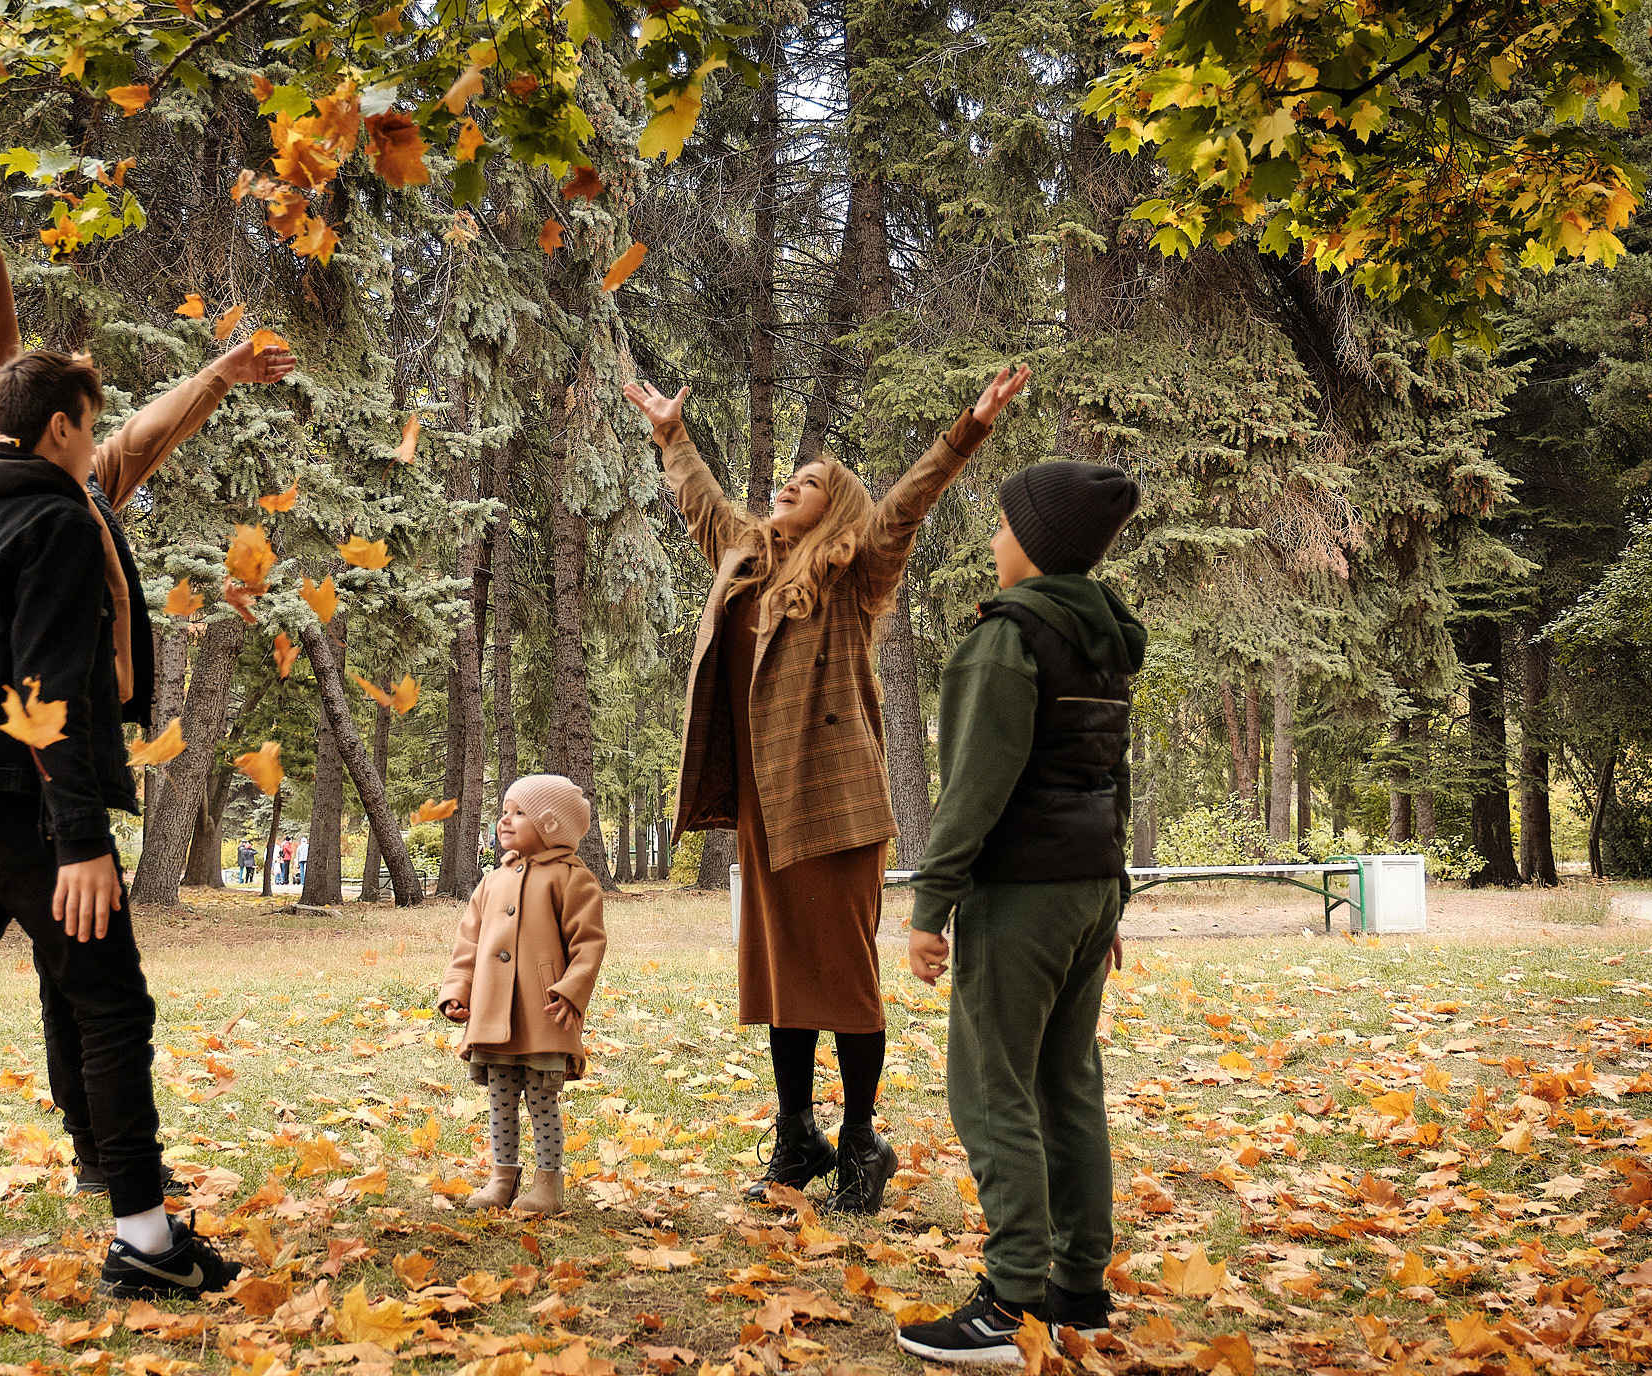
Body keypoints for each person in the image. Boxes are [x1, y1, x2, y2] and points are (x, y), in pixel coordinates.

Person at [0, 122, 296, 1262]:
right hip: (23, 774)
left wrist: (216, 375)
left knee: (16, 983)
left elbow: (135, 440)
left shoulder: (68, 492)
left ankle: (38, 1189)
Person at [622, 366, 1031, 1215]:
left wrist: (969, 428)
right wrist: (670, 433)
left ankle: (860, 1145)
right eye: (787, 478)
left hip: (837, 808)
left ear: (836, 507)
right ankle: (797, 1134)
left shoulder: (854, 571)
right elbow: (701, 501)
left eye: (807, 483)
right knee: (781, 979)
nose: (787, 486)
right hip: (766, 810)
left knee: (842, 981)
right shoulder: (744, 556)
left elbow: (906, 504)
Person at [893, 462, 1146, 1363]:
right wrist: (1111, 894)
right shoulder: (1103, 639)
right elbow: (1110, 776)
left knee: (992, 1087)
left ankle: (1008, 1304)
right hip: (1087, 889)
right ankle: (1079, 1292)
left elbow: (972, 789)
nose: (995, 539)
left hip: (1022, 895)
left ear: (1035, 543)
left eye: (1005, 525)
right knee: (1067, 1084)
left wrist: (931, 904)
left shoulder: (1008, 639)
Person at [438, 776, 607, 1216]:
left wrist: (572, 991)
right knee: (500, 1098)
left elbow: (588, 943)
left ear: (550, 825)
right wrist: (457, 989)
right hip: (493, 1011)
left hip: (542, 1012)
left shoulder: (572, 879)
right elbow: (468, 943)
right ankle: (502, 1176)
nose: (505, 821)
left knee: (541, 1099)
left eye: (518, 813)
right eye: (504, 812)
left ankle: (548, 1183)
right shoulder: (491, 882)